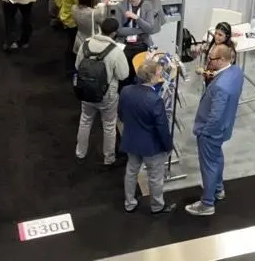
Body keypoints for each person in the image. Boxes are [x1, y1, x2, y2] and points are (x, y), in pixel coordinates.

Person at [186, 44, 244, 216]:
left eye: (212, 59)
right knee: (216, 158)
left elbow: (215, 115)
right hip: (224, 128)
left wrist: (205, 132)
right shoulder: (236, 72)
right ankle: (218, 189)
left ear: (224, 59)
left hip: (211, 132)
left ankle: (207, 203)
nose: (208, 61)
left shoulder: (221, 87)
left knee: (208, 166)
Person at [120, 56, 176, 214]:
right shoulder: (154, 100)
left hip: (132, 141)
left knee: (131, 172)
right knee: (155, 177)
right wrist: (168, 146)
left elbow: (121, 114)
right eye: (158, 73)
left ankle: (129, 202)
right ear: (151, 77)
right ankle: (157, 206)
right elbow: (162, 127)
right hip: (151, 146)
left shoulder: (126, 91)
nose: (160, 76)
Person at [74, 17, 129, 166]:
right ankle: (109, 158)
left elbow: (78, 66)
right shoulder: (116, 51)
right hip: (107, 96)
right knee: (109, 125)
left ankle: (80, 152)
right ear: (114, 33)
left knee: (85, 120)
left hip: (85, 91)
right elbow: (123, 75)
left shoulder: (85, 45)